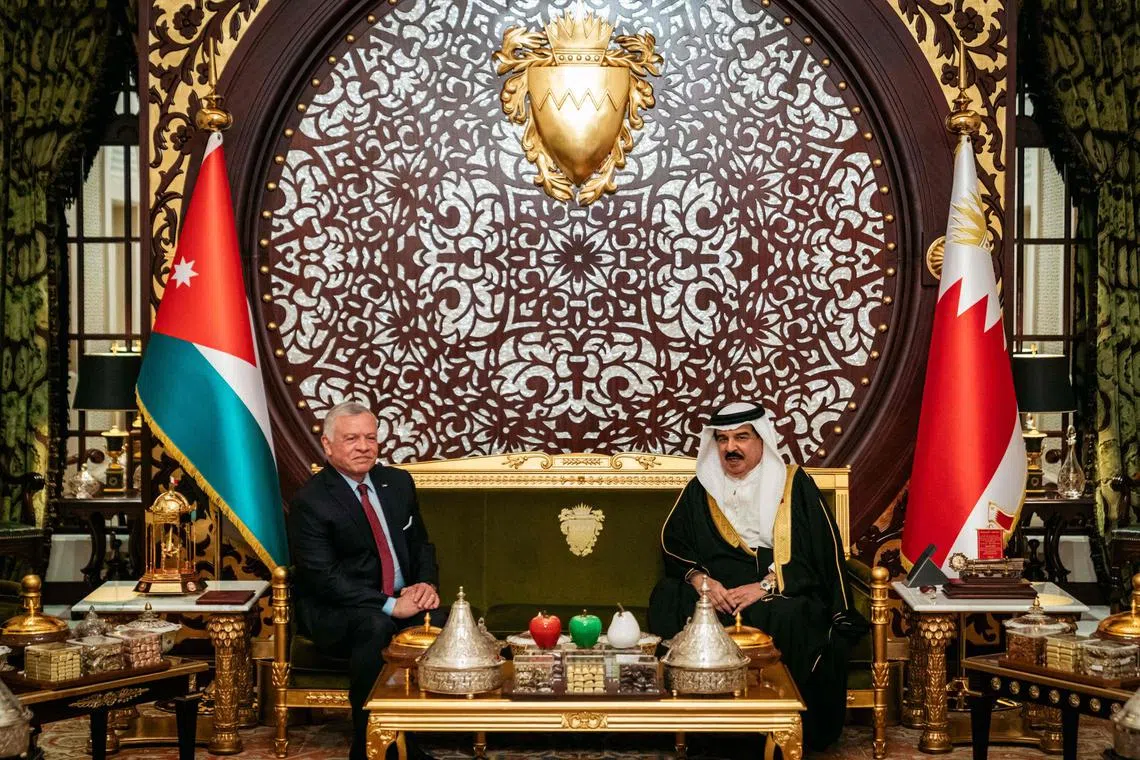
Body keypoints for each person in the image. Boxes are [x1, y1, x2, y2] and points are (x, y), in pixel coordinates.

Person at [648, 401, 867, 750]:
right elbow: (673, 544)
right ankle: (696, 726)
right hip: (715, 589)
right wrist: (701, 582)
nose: (730, 448)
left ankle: (770, 730)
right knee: (669, 596)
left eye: (741, 438)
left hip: (776, 584)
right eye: (722, 439)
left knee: (787, 613)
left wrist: (766, 584)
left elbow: (819, 553)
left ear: (761, 439)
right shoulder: (701, 487)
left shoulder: (793, 484)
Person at [288, 400, 442, 760]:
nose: (363, 447)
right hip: (338, 609)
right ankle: (371, 745)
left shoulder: (397, 482)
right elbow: (323, 578)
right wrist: (391, 605)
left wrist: (425, 586)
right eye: (351, 438)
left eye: (370, 437)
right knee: (375, 626)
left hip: (401, 598)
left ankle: (411, 739)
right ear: (328, 445)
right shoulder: (310, 500)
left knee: (455, 621)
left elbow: (422, 544)